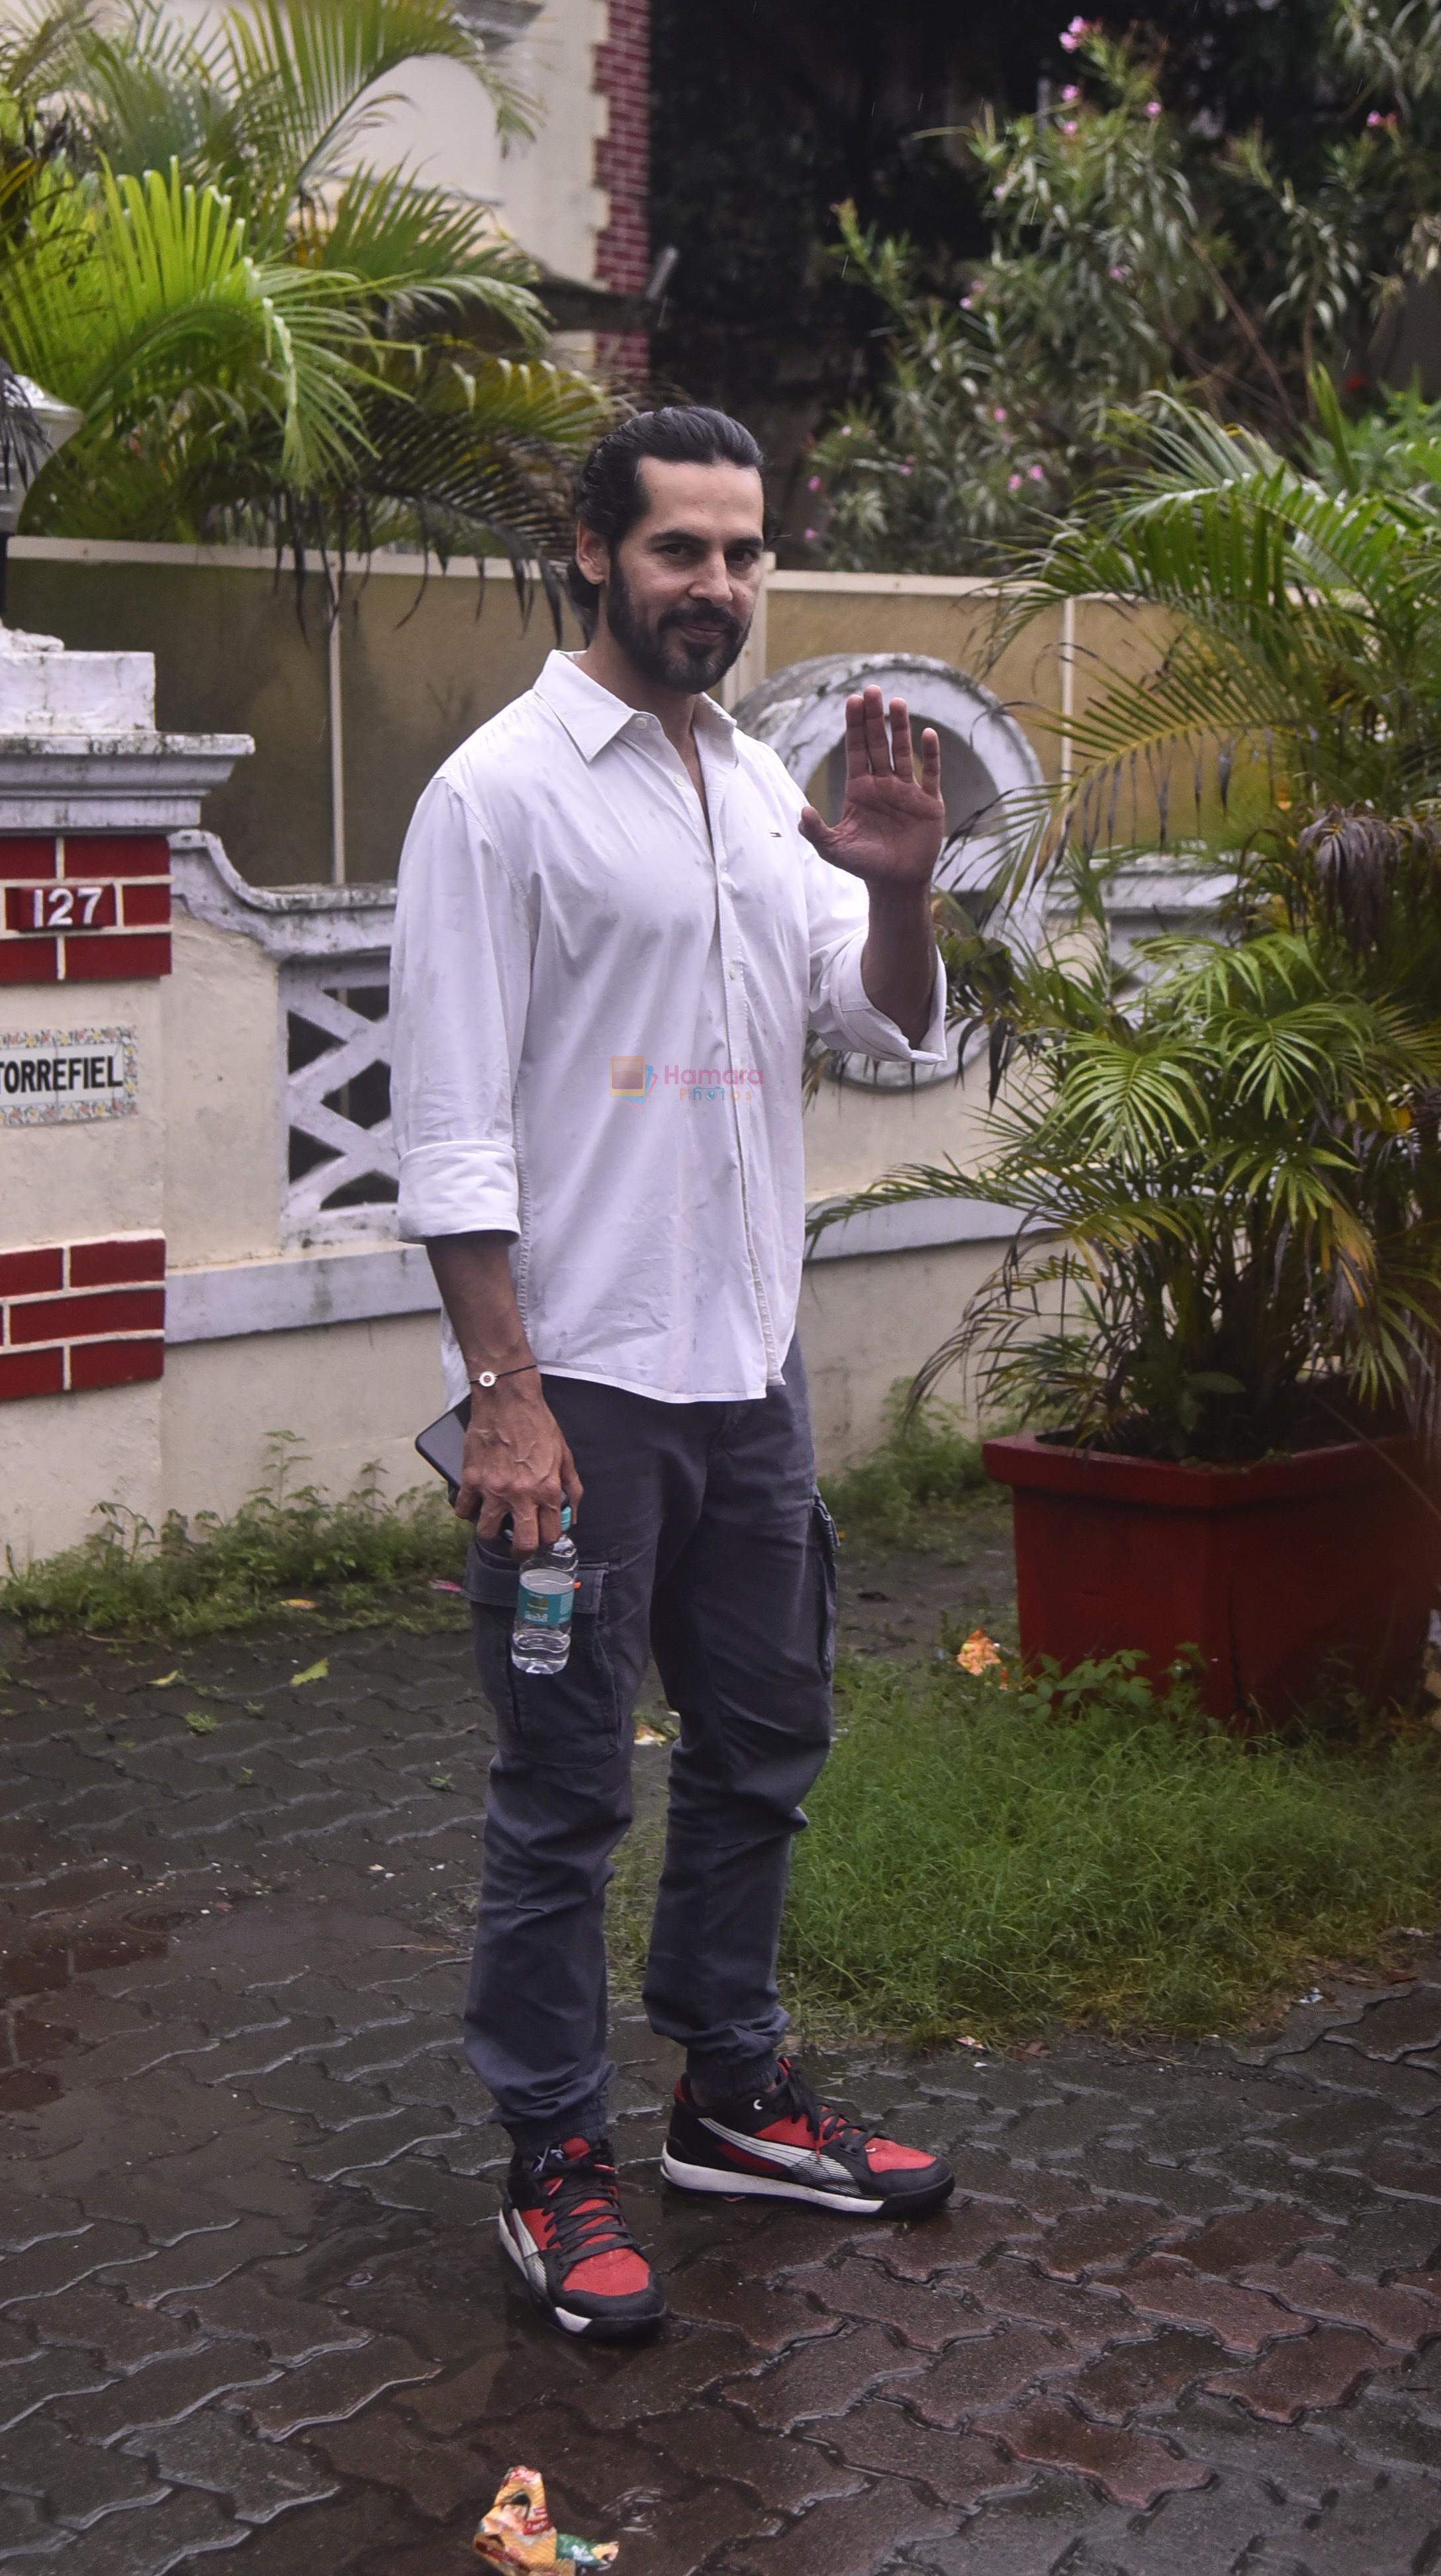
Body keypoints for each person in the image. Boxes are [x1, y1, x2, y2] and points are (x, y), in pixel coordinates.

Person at [390, 404, 956, 2344]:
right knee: (560, 1798)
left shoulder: (753, 790)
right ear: (591, 550)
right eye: (679, 552)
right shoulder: (502, 795)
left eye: (742, 553)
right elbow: (453, 1126)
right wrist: (508, 1393)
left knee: (764, 1749)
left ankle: (727, 2093)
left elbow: (884, 1039)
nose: (716, 587)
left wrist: (894, 888)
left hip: (749, 1379)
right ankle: (554, 2160)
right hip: (584, 1392)